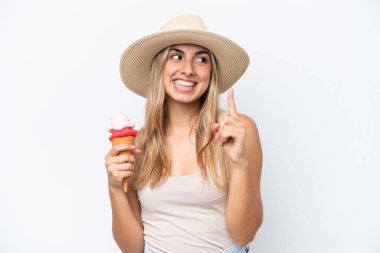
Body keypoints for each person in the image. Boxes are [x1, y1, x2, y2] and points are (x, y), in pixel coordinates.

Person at [105, 13, 263, 253]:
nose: (188, 69)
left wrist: (239, 163)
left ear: (211, 73)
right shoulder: (137, 145)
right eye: (176, 57)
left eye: (201, 60)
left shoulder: (236, 131)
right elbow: (132, 248)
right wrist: (115, 188)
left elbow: (245, 234)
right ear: (160, 68)